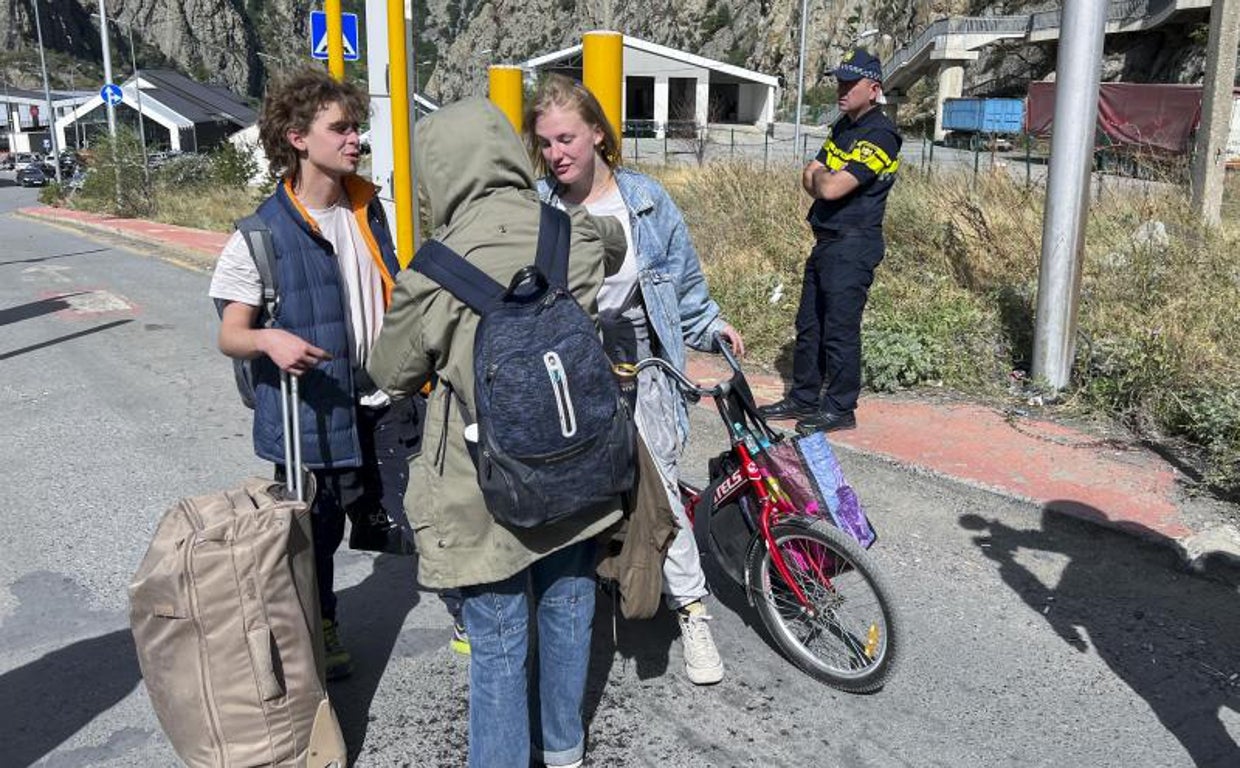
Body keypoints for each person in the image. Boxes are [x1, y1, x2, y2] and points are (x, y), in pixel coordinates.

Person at [368, 98, 628, 768]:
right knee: (571, 607)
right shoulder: (570, 230)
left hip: (483, 485)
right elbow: (614, 251)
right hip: (577, 461)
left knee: (500, 638)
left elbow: (391, 373)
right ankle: (565, 750)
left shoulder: (433, 268)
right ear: (511, 153)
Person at [207, 67, 462, 680]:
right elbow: (229, 334)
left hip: (385, 400)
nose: (355, 140)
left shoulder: (371, 209)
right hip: (311, 413)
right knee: (313, 536)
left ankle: (467, 608)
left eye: (357, 129)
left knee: (427, 508)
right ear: (297, 137)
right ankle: (320, 624)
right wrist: (268, 338)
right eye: (340, 129)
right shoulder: (260, 234)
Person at [526, 73, 745, 686]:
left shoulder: (646, 199)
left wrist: (712, 327)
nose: (556, 153)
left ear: (598, 133)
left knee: (660, 491)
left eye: (566, 137)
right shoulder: (540, 209)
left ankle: (692, 610)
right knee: (575, 495)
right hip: (570, 369)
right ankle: (587, 599)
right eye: (545, 143)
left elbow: (682, 284)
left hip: (642, 361)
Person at [758, 49, 902, 434]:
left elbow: (832, 185)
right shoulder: (844, 127)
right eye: (839, 81)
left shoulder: (882, 134)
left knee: (839, 329)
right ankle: (804, 397)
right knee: (810, 325)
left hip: (854, 243)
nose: (841, 89)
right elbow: (810, 173)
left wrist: (823, 180)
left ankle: (840, 407)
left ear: (873, 89)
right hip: (827, 241)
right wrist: (822, 180)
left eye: (849, 83)